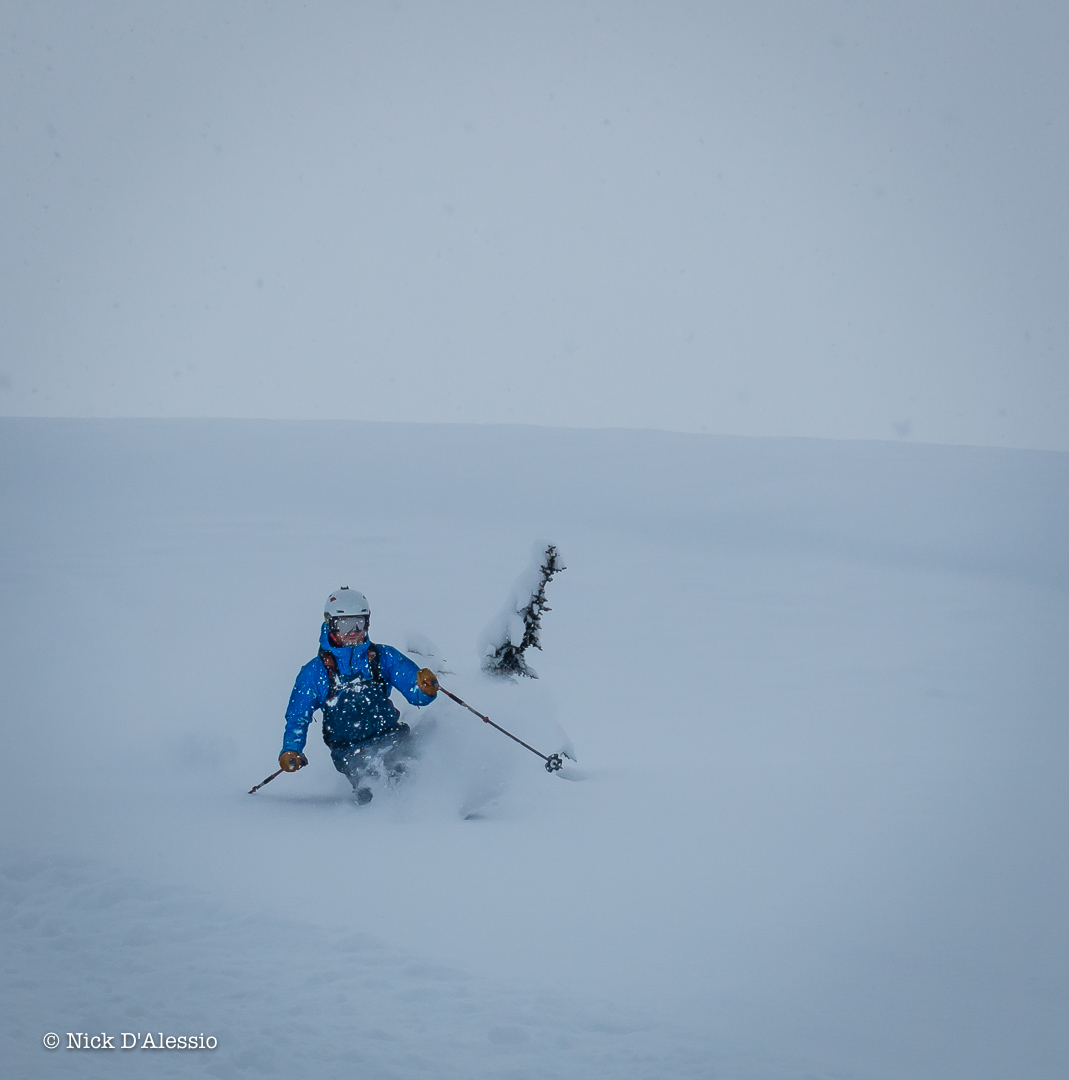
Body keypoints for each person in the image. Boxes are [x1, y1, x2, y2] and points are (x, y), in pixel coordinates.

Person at [279, 586, 440, 803]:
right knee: (374, 786)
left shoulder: (383, 657)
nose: (353, 630)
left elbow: (416, 693)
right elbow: (298, 715)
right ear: (331, 624)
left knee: (414, 769)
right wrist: (292, 749)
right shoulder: (315, 672)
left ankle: (443, 806)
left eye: (359, 622)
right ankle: (380, 824)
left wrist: (425, 687)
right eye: (345, 624)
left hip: (393, 738)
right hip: (350, 752)